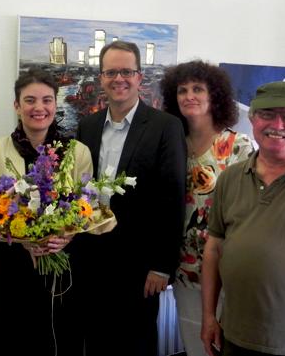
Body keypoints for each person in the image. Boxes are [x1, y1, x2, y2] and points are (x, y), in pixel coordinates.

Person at [201, 81, 285, 356]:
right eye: (267, 114)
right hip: (234, 335)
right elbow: (213, 249)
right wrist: (208, 316)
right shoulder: (230, 177)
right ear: (252, 120)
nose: (277, 124)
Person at [73, 40, 186, 356]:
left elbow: (172, 198)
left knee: (135, 343)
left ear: (139, 77)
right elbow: (79, 190)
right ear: (101, 78)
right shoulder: (88, 126)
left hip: (140, 267)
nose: (118, 78)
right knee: (94, 341)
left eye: (126, 71)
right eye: (111, 72)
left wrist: (162, 266)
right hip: (92, 261)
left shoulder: (166, 127)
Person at [0, 68, 93, 356]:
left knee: (58, 339)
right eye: (29, 100)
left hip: (62, 262)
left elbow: (88, 209)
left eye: (46, 100)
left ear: (56, 104)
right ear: (17, 106)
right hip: (10, 262)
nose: (38, 108)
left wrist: (66, 235)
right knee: (11, 340)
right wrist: (22, 239)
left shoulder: (78, 152)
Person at [160, 60, 254, 356]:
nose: (189, 95)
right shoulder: (171, 144)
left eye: (198, 89)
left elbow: (250, 212)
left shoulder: (239, 146)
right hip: (185, 271)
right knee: (196, 346)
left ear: (215, 95)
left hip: (228, 272)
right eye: (182, 90)